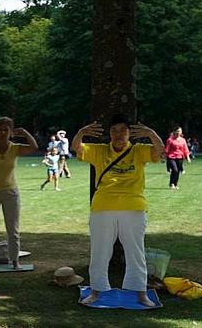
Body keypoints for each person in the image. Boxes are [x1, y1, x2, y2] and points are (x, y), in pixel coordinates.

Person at [73, 114, 164, 307]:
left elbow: (160, 151)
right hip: (102, 207)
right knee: (100, 251)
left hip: (133, 207)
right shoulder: (100, 150)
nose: (118, 134)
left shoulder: (139, 151)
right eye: (114, 130)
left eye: (123, 130)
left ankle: (140, 293)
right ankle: (97, 291)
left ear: (130, 133)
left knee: (135, 251)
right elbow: (77, 149)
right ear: (109, 134)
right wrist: (81, 133)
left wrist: (150, 133)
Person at [0, 117, 38, 269]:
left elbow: (34, 147)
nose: (3, 132)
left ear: (11, 132)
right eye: (0, 129)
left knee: (13, 229)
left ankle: (15, 261)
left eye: (6, 130)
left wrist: (24, 133)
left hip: (11, 192)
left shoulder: (15, 148)